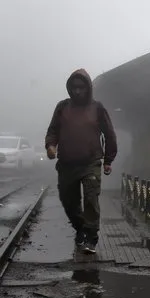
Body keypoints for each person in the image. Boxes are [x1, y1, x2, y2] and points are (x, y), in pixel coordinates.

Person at [45, 69, 117, 254]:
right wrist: (50, 146)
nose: (77, 91)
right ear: (69, 88)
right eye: (74, 87)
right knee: (68, 201)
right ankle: (81, 229)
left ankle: (91, 238)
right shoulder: (62, 107)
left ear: (88, 88)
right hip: (67, 164)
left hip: (90, 163)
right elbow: (53, 130)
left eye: (81, 87)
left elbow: (109, 134)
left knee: (91, 199)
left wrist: (108, 159)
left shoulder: (97, 108)